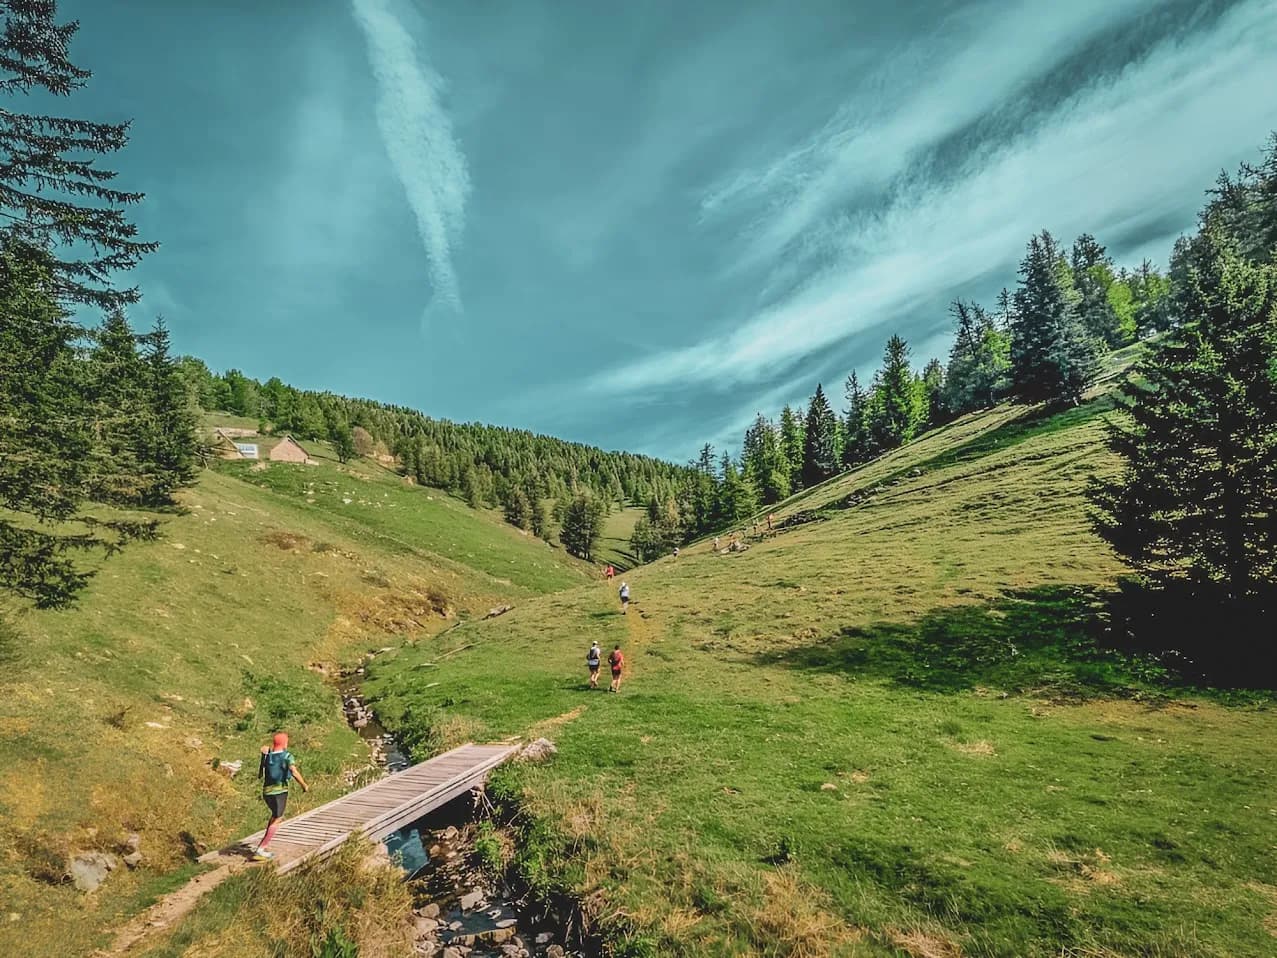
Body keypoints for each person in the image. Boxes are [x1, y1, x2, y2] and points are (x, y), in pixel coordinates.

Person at [253, 731, 309, 861]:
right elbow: (294, 772)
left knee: (274, 816)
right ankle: (261, 848)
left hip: (267, 792)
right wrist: (304, 785)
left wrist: (264, 756)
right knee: (278, 818)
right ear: (284, 743)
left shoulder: (268, 755)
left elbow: (260, 774)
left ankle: (263, 845)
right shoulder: (287, 756)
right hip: (279, 792)